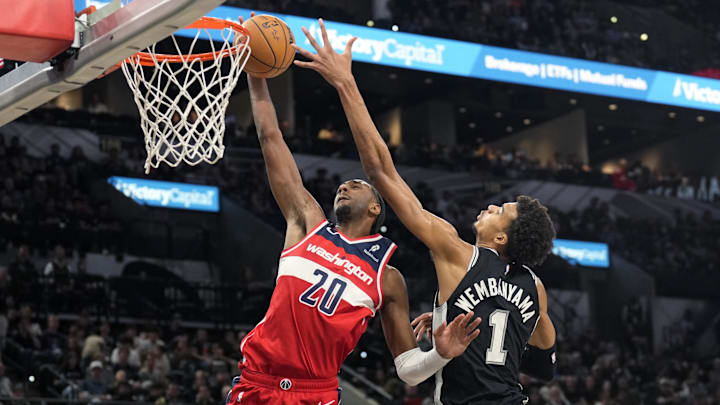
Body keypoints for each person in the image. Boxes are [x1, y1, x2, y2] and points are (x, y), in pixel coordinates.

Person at [294, 19, 557, 404]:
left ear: (502, 237)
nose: (491, 205)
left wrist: (345, 84)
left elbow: (380, 170)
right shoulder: (535, 287)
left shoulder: (457, 252)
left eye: (501, 210)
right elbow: (545, 364)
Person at [226, 15, 481, 404]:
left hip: (317, 393)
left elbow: (407, 368)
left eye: (356, 184)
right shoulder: (306, 222)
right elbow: (270, 138)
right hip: (257, 382)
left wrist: (439, 354)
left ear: (376, 207)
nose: (344, 185)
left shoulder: (387, 277)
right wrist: (255, 73)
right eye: (343, 185)